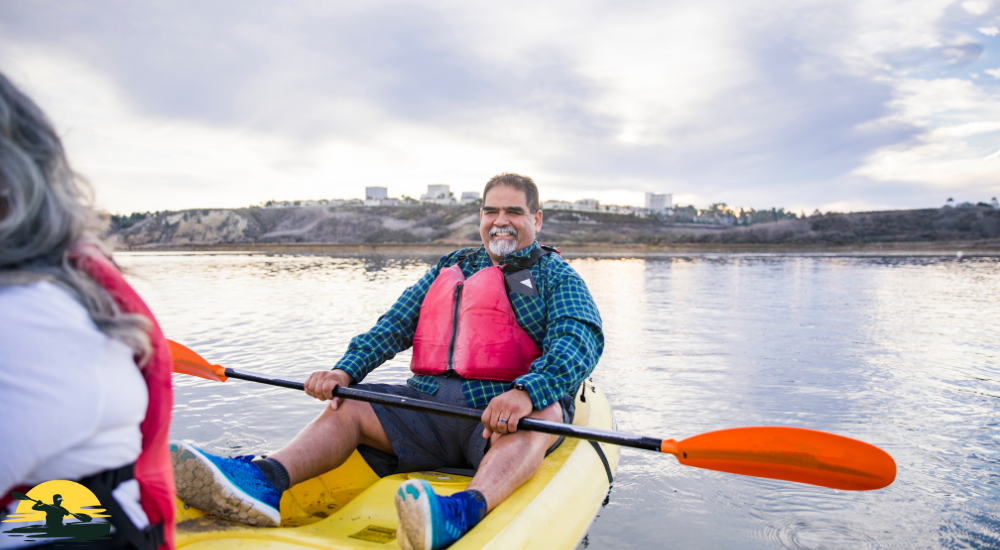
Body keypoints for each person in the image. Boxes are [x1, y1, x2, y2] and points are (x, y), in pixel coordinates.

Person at [171, 173, 603, 550]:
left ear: (536, 219)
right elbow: (393, 326)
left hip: (499, 419)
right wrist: (345, 370)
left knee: (544, 412)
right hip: (429, 410)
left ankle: (464, 511)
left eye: (514, 211)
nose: (500, 220)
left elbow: (579, 339)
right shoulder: (451, 267)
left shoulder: (553, 275)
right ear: (480, 217)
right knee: (350, 403)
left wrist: (526, 391)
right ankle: (265, 479)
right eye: (491, 211)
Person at [0, 72, 175, 550]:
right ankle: (264, 474)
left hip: (80, 527)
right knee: (342, 409)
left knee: (347, 414)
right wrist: (342, 371)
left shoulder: (27, 320)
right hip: (69, 517)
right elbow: (384, 330)